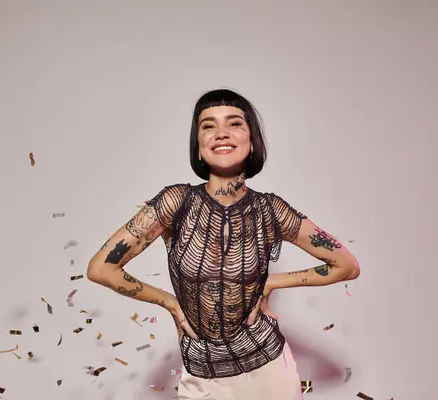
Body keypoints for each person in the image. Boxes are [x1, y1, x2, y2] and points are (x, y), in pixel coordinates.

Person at [87, 88, 360, 399]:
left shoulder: (270, 210)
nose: (221, 133)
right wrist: (171, 303)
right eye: (208, 126)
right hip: (202, 375)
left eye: (234, 124)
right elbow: (101, 268)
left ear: (252, 140)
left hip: (268, 370)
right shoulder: (176, 203)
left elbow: (346, 265)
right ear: (199, 147)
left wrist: (271, 283)